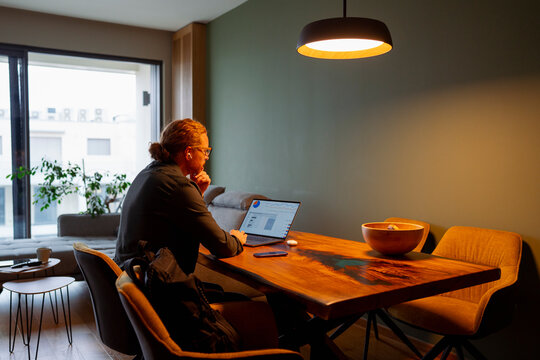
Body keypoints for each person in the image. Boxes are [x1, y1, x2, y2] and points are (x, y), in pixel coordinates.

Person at [114, 118, 247, 276]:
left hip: (130, 277)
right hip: (157, 287)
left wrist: (198, 193)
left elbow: (187, 223)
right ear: (189, 152)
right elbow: (222, 246)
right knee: (254, 301)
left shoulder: (148, 173)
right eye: (205, 151)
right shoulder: (179, 185)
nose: (207, 157)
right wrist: (236, 239)